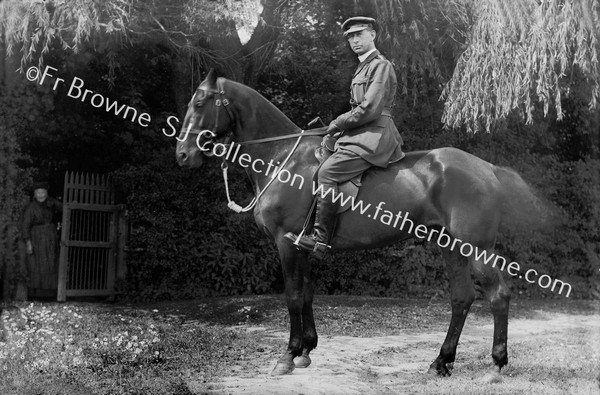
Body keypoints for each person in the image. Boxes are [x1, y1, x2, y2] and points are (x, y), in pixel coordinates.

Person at [285, 16, 404, 256]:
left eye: (359, 34)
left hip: (375, 135)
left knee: (328, 172)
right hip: (360, 132)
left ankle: (320, 241)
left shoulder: (380, 65)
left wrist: (338, 122)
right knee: (321, 161)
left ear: (373, 35)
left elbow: (370, 109)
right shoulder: (363, 66)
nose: (354, 40)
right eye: (350, 36)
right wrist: (337, 130)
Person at [19, 181, 62, 297]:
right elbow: (25, 226)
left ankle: (50, 293)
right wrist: (28, 243)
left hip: (51, 238)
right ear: (35, 194)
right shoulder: (31, 208)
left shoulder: (51, 203)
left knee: (51, 263)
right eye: (38, 193)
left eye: (43, 192)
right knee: (36, 264)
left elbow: (64, 208)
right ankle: (36, 294)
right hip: (36, 239)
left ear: (47, 193)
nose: (41, 195)